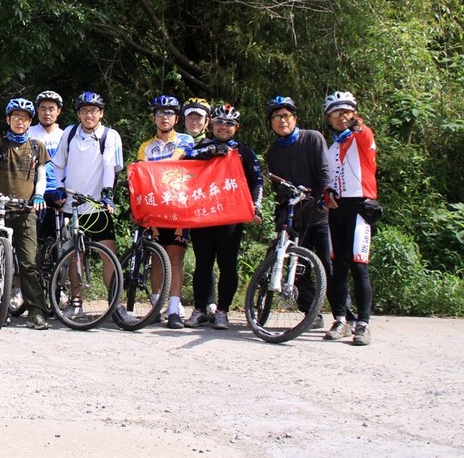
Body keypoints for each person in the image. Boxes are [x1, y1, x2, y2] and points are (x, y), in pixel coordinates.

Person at [184, 102, 263, 330]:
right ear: (212, 124)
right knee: (203, 263)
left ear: (236, 127)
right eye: (219, 122)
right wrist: (210, 152)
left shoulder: (244, 152)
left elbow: (257, 181)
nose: (223, 127)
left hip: (230, 215)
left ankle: (223, 311)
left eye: (229, 124)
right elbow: (184, 164)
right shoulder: (201, 146)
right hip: (204, 214)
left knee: (228, 264)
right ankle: (200, 309)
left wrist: (255, 207)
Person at [48, 91, 126, 321]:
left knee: (108, 253)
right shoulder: (70, 133)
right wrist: (61, 187)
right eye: (84, 110)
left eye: (93, 111)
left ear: (101, 113)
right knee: (74, 254)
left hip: (98, 205)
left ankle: (115, 302)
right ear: (78, 113)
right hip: (72, 204)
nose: (88, 115)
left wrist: (108, 195)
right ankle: (76, 301)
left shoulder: (110, 136)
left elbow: (110, 166)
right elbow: (58, 163)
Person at [0, 98, 50, 329]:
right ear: (8, 120)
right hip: (1, 210)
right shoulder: (1, 143)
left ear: (30, 122)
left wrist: (39, 195)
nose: (20, 122)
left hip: (26, 210)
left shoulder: (37, 146)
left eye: (25, 118)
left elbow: (42, 177)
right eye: (15, 117)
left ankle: (36, 311)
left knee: (29, 262)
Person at [264, 95, 332, 329]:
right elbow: (278, 187)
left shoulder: (312, 138)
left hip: (319, 213)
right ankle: (312, 313)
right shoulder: (273, 152)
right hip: (295, 216)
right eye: (276, 117)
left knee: (327, 265)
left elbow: (324, 171)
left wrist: (322, 198)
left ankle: (343, 316)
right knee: (299, 266)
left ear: (295, 118)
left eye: (286, 116)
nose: (281, 121)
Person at [322, 91, 378, 346]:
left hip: (360, 207)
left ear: (354, 113)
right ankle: (341, 319)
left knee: (359, 266)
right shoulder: (332, 146)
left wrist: (357, 125)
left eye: (346, 112)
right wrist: (327, 194)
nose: (341, 117)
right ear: (329, 118)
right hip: (337, 209)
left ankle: (363, 324)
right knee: (338, 267)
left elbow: (363, 132)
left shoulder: (362, 138)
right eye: (336, 113)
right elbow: (330, 179)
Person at [135, 95, 194, 329]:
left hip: (179, 207)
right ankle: (157, 306)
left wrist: (152, 169)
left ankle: (174, 309)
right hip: (155, 208)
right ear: (153, 118)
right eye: (160, 113)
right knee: (157, 258)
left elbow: (176, 160)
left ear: (176, 118)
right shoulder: (145, 147)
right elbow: (140, 177)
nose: (164, 117)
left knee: (175, 257)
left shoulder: (185, 140)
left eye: (169, 113)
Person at [29, 90, 66, 244]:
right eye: (43, 108)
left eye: (51, 109)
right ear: (37, 111)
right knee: (33, 239)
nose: (47, 113)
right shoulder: (29, 133)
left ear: (59, 111)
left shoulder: (65, 135)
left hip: (59, 192)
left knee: (61, 240)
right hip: (34, 191)